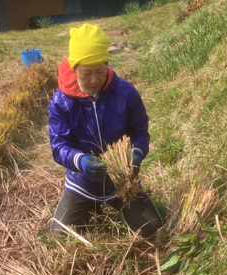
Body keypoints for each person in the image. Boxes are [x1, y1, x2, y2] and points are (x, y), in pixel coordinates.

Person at [49, 23, 163, 238]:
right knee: (60, 238)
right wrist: (80, 161)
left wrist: (136, 154)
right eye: (86, 73)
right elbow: (59, 146)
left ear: (107, 64)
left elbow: (140, 133)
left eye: (100, 71)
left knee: (154, 230)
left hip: (122, 180)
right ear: (74, 70)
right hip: (81, 183)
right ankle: (89, 204)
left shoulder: (126, 93)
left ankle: (120, 205)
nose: (93, 80)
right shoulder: (61, 101)